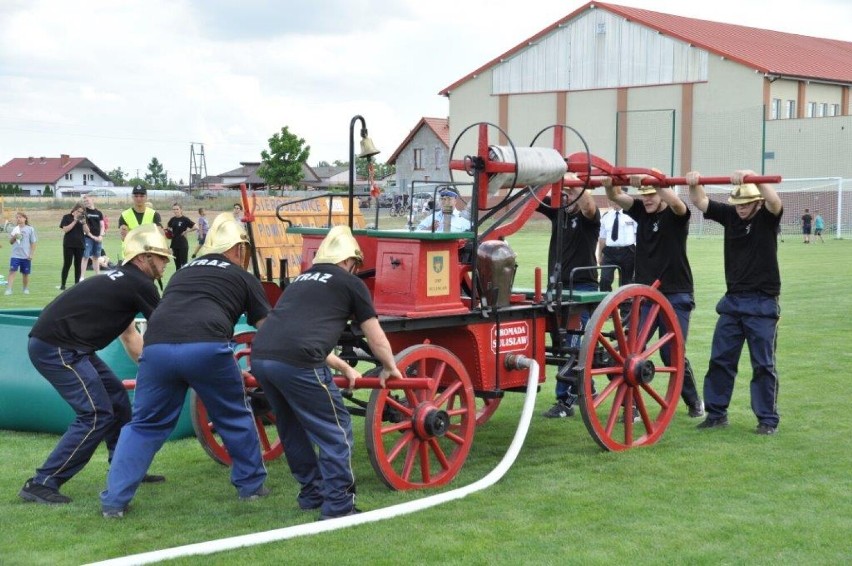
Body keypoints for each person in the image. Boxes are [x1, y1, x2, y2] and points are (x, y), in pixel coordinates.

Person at [101, 214, 271, 518]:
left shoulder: (181, 273)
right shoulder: (244, 277)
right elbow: (267, 327)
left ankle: (114, 501)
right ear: (238, 249)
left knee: (143, 426)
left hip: (156, 348)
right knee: (233, 415)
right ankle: (251, 487)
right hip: (206, 347)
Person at [250, 226, 402, 520]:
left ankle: (312, 494)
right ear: (349, 261)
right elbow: (375, 334)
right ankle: (339, 505)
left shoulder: (298, 282)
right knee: (336, 430)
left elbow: (297, 332)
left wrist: (343, 366)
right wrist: (390, 366)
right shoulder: (350, 282)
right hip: (299, 362)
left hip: (262, 356)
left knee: (291, 427)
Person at [18, 224, 171, 505]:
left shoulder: (123, 280)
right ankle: (42, 482)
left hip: (68, 345)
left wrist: (149, 367)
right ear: (142, 258)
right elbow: (168, 328)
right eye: (160, 257)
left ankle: (124, 467)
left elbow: (129, 335)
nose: (165, 263)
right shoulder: (140, 283)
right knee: (96, 414)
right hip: (59, 347)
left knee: (117, 401)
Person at [686, 171, 783, 435]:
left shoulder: (767, 217)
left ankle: (767, 420)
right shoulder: (730, 215)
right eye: (737, 204)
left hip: (762, 302)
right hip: (733, 302)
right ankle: (716, 414)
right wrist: (694, 181)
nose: (741, 209)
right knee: (720, 359)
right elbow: (700, 202)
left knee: (763, 364)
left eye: (746, 204)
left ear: (757, 202)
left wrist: (754, 176)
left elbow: (775, 202)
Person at [602, 175, 704, 419]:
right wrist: (608, 182)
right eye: (644, 194)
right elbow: (615, 196)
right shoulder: (640, 211)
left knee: (671, 353)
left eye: (652, 194)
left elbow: (679, 205)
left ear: (662, 194)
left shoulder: (676, 216)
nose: (647, 199)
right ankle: (632, 407)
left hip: (676, 294)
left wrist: (656, 184)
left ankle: (693, 401)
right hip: (646, 296)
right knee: (627, 352)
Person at [536, 180, 600, 418]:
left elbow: (589, 207)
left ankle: (565, 401)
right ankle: (588, 389)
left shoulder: (589, 220)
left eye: (570, 193)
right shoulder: (558, 214)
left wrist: (572, 183)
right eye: (563, 194)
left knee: (573, 345)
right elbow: (533, 198)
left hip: (582, 289)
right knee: (562, 344)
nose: (565, 198)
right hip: (558, 288)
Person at [597, 196, 636, 291]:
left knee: (627, 283)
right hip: (610, 252)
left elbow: (638, 235)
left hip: (628, 251)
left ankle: (625, 305)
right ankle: (607, 303)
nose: (615, 202)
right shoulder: (606, 216)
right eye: (613, 200)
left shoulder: (632, 215)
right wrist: (599, 255)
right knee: (604, 280)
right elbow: (602, 238)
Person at [118, 186, 162, 250]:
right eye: (136, 196)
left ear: (146, 197)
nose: (139, 198)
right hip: (130, 255)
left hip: (148, 255)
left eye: (142, 196)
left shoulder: (154, 215)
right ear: (132, 197)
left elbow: (159, 235)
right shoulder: (125, 215)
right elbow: (124, 237)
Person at [5, 212, 38, 296]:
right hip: (15, 255)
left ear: (25, 219)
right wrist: (14, 237)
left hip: (26, 256)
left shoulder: (30, 229)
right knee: (12, 271)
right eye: (17, 217)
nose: (18, 219)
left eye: (20, 217)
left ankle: (25, 289)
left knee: (25, 274)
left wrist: (31, 254)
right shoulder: (15, 229)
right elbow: (11, 242)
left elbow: (33, 243)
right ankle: (9, 290)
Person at [58, 202, 86, 290]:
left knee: (78, 265)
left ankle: (76, 285)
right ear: (74, 210)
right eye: (79, 211)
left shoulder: (83, 218)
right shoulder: (66, 217)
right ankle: (63, 285)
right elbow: (65, 229)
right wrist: (75, 220)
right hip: (68, 244)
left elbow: (87, 231)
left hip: (80, 244)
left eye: (82, 212)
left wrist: (84, 223)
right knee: (67, 264)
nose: (80, 213)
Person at [79, 194, 106, 281]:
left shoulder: (99, 213)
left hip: (98, 238)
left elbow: (102, 226)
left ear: (92, 200)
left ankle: (97, 276)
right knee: (85, 256)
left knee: (96, 257)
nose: (86, 202)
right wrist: (92, 236)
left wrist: (101, 236)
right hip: (88, 238)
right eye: (84, 201)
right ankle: (82, 277)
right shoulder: (84, 212)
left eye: (87, 200)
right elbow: (84, 226)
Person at [166, 203, 196, 270]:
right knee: (177, 265)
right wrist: (169, 232)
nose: (175, 211)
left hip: (183, 244)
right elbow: (167, 227)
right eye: (174, 209)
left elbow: (195, 227)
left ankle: (185, 279)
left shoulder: (185, 219)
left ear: (181, 210)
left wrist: (186, 231)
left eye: (177, 209)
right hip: (174, 244)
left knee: (184, 265)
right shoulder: (172, 219)